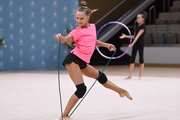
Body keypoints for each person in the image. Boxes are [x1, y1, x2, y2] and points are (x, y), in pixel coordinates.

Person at [55, 1, 132, 120]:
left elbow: (92, 41)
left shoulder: (92, 27)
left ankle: (121, 91)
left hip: (83, 62)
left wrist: (106, 45)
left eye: (81, 18)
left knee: (101, 77)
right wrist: (61, 37)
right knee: (81, 89)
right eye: (77, 18)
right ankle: (64, 116)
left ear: (88, 17)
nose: (79, 21)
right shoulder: (76, 31)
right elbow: (65, 40)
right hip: (73, 60)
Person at [119, 11, 148, 80]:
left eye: (139, 18)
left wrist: (132, 44)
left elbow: (137, 37)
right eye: (137, 18)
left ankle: (140, 75)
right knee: (132, 59)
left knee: (141, 59)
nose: (137, 19)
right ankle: (130, 75)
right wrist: (126, 36)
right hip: (135, 44)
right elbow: (134, 36)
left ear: (143, 19)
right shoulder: (137, 26)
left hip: (140, 44)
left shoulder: (143, 27)